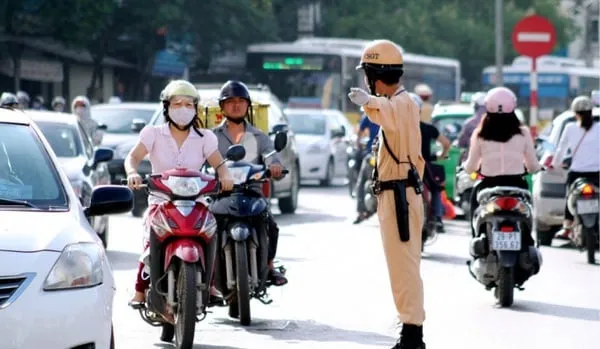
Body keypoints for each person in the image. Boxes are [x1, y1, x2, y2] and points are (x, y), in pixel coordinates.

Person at [125, 80, 234, 320]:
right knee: (148, 242)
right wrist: (132, 173)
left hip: (195, 202)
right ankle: (140, 290)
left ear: (195, 108)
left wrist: (225, 177)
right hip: (161, 201)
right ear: (166, 107)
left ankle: (211, 283)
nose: (182, 108)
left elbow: (219, 164)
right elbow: (132, 158)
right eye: (177, 104)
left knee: (211, 232)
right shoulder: (152, 134)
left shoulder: (205, 138)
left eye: (188, 104)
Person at [348, 39, 426, 349]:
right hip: (396, 194)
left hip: (400, 195)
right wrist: (371, 102)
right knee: (402, 266)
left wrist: (369, 101)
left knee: (404, 268)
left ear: (374, 74)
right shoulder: (399, 104)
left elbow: (388, 111)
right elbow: (387, 114)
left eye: (367, 74)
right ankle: (409, 328)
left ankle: (412, 335)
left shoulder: (402, 103)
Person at [212, 80, 288, 287]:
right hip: (220, 194)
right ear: (222, 106)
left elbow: (271, 155)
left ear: (247, 105)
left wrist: (275, 166)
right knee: (204, 228)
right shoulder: (211, 137)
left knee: (271, 226)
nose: (236, 105)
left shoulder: (259, 136)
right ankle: (206, 272)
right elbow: (199, 160)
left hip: (252, 193)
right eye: (230, 101)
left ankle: (269, 266)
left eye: (240, 101)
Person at [462, 87, 541, 238]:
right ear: (513, 106)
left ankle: (477, 238)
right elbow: (532, 166)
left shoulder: (480, 134)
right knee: (528, 213)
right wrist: (536, 168)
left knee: (474, 205)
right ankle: (528, 240)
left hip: (488, 186)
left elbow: (471, 166)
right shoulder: (523, 133)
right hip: (517, 185)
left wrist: (466, 168)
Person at [549, 95, 600, 240]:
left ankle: (566, 227)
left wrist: (556, 164)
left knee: (570, 197)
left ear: (576, 114)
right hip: (597, 174)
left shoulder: (570, 128)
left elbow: (560, 150)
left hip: (577, 174)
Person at [409, 92, 451, 233]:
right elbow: (446, 143)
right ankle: (438, 218)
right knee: (435, 189)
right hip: (424, 166)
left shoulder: (398, 130)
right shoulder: (428, 128)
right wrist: (440, 156)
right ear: (419, 110)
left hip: (403, 167)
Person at [353, 113, 380, 224]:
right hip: (389, 156)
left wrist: (358, 143)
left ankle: (361, 211)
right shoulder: (391, 112)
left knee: (361, 182)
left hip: (372, 155)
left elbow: (360, 131)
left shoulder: (370, 114)